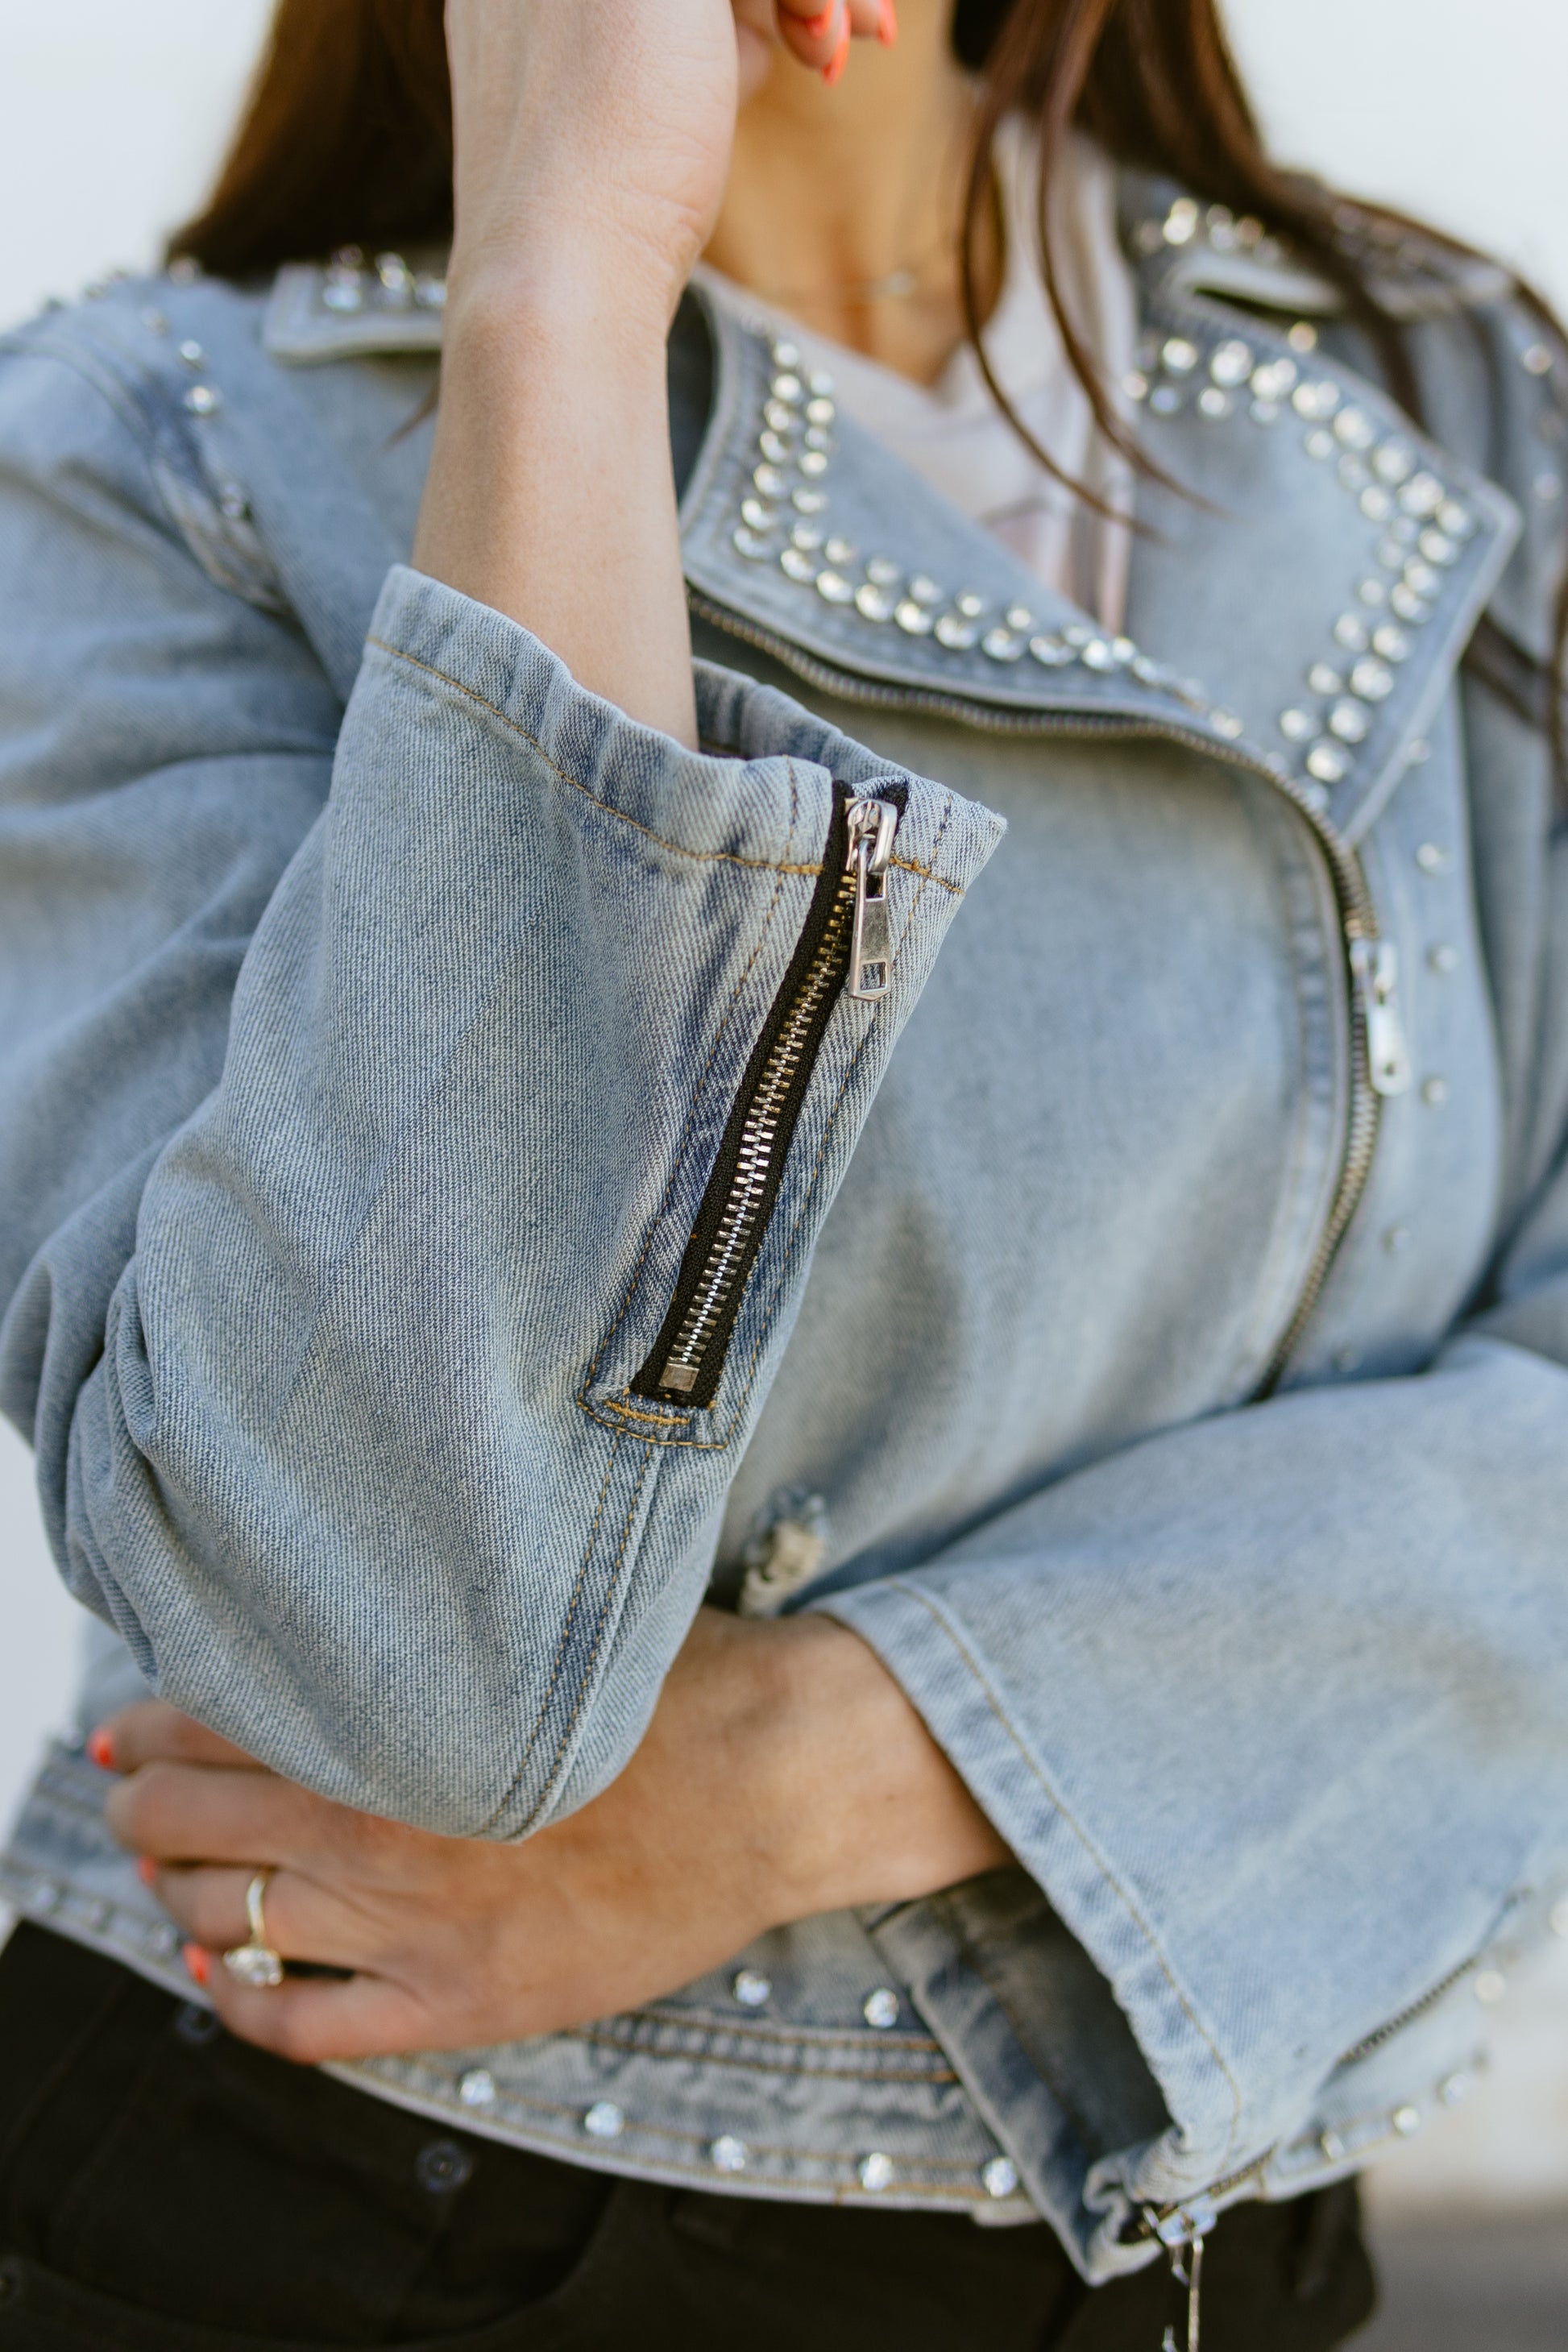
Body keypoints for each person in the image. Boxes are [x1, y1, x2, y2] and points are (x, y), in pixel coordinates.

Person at [1, 0, 1565, 2343]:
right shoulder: (145, 458)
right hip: (353, 2217)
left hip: (1222, 2250)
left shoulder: (1455, 400)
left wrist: (827, 1765)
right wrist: (559, 286)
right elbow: (397, 1656)